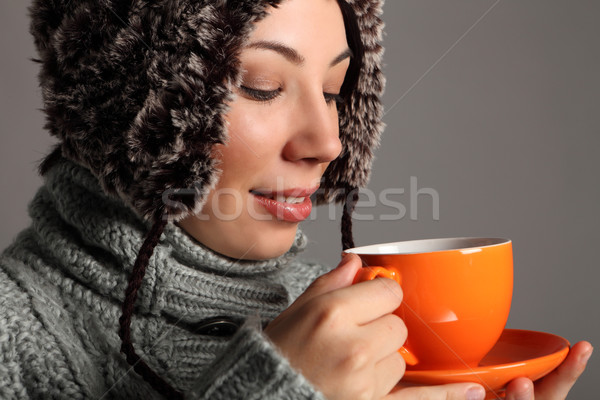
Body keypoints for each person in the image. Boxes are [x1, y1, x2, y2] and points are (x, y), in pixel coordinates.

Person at [0, 0, 591, 399]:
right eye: (263, 87)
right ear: (131, 113)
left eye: (336, 91)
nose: (328, 142)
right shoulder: (12, 337)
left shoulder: (350, 330)